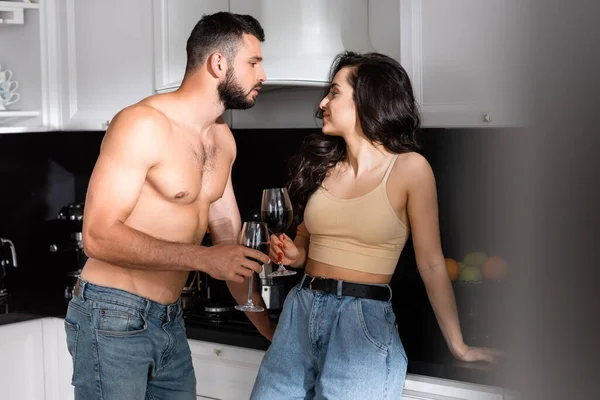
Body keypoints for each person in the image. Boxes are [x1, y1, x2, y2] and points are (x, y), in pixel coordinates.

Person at [249, 51, 502, 400]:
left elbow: (430, 264)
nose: (323, 102)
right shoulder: (324, 167)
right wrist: (294, 254)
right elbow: (305, 241)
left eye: (334, 92)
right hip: (300, 311)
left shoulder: (409, 169)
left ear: (367, 100)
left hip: (360, 322)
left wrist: (458, 346)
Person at [63, 12, 274, 400]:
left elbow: (228, 245)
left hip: (169, 319)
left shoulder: (223, 140)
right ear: (218, 63)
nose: (263, 75)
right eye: (254, 62)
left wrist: (269, 331)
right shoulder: (142, 124)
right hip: (112, 314)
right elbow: (97, 236)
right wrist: (203, 259)